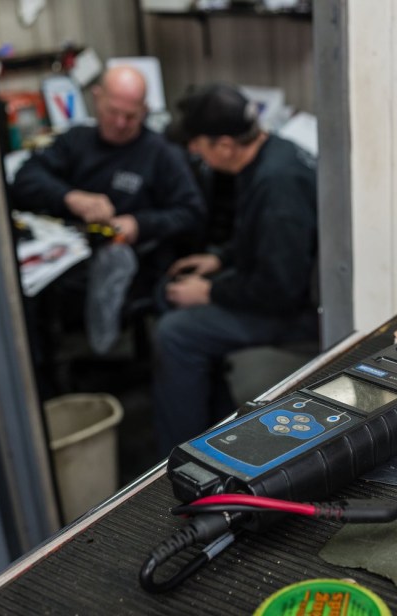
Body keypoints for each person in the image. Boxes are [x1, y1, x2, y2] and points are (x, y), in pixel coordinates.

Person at [152, 83, 319, 455]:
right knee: (172, 297)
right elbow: (261, 239)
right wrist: (221, 260)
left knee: (175, 334)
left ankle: (183, 459)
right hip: (278, 287)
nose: (195, 153)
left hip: (299, 311)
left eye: (199, 146)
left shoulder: (278, 185)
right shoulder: (270, 153)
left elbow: (280, 289)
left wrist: (209, 291)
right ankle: (215, 421)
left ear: (225, 145)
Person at [10, 65, 206, 282]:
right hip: (64, 255)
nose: (120, 123)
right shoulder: (75, 140)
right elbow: (25, 178)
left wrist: (140, 224)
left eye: (130, 116)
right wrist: (69, 197)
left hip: (129, 264)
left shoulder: (163, 154)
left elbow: (192, 212)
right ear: (97, 98)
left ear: (144, 109)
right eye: (112, 112)